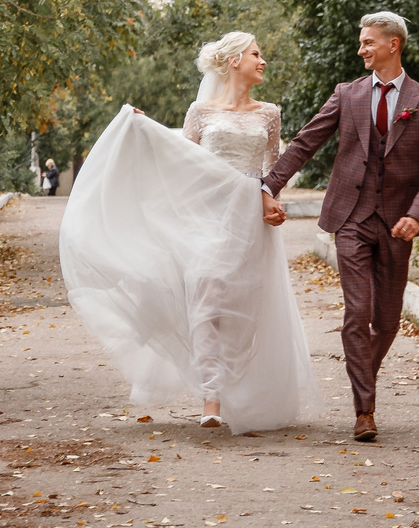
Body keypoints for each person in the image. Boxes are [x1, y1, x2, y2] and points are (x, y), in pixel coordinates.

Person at [59, 33, 321, 433]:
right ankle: (211, 397)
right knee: (206, 294)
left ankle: (241, 393)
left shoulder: (269, 113)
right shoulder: (200, 111)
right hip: (207, 215)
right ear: (234, 61)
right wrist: (145, 129)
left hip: (249, 216)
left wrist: (272, 201)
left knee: (244, 305)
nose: (262, 60)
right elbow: (181, 160)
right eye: (256, 54)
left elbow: (273, 169)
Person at [261, 11, 419, 443]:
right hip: (350, 218)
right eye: (361, 42)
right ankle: (364, 409)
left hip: (399, 222)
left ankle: (363, 371)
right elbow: (307, 141)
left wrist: (417, 214)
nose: (361, 49)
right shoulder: (347, 94)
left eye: (368, 42)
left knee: (387, 321)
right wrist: (267, 186)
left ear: (392, 45)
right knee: (357, 313)